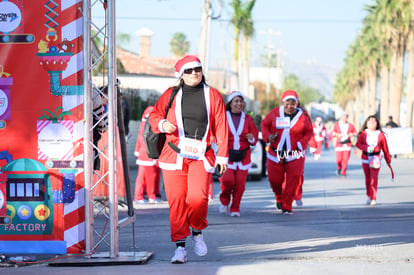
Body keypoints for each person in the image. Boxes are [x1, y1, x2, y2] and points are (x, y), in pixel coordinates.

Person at [149, 55, 228, 264]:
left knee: (198, 198)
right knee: (176, 203)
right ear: (181, 75)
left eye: (197, 69)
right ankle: (180, 248)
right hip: (173, 154)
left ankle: (197, 230)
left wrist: (223, 155)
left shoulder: (213, 95)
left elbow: (221, 126)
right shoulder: (170, 94)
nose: (194, 73)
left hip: (201, 155)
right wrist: (162, 124)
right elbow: (154, 115)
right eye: (189, 70)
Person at [261, 90, 313, 215]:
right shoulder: (274, 113)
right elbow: (264, 125)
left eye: (293, 104)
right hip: (275, 153)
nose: (290, 106)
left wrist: (302, 143)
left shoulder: (303, 116)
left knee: (292, 181)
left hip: (295, 154)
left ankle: (287, 205)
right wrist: (268, 137)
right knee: (274, 180)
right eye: (287, 104)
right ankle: (279, 196)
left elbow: (309, 132)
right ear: (283, 103)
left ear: (297, 103)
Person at [218, 91, 259, 217]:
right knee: (227, 181)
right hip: (227, 156)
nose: (239, 104)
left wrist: (251, 138)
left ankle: (235, 207)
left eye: (241, 101)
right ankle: (224, 201)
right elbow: (216, 133)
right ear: (230, 104)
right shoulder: (223, 117)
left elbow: (255, 137)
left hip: (243, 156)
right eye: (236, 101)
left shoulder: (247, 119)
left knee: (240, 185)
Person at [355, 115, 391, 206]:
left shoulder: (380, 135)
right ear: (366, 124)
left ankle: (373, 197)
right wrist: (367, 148)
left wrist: (388, 159)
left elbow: (385, 148)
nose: (371, 122)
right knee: (368, 179)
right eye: (369, 121)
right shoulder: (363, 133)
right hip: (366, 158)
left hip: (375, 158)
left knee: (374, 179)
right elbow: (358, 144)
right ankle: (369, 195)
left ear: (377, 123)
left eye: (374, 121)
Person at [133, 106, 161, 204]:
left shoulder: (144, 124)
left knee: (142, 177)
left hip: (144, 154)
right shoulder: (150, 125)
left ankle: (140, 196)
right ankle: (150, 196)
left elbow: (139, 139)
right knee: (150, 176)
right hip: (148, 155)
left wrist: (137, 150)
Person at [331, 112, 357, 176]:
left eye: (345, 118)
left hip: (347, 144)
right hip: (339, 144)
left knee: (345, 159)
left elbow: (355, 132)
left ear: (347, 118)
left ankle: (344, 171)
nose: (344, 119)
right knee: (339, 160)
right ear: (341, 118)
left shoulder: (350, 125)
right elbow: (333, 133)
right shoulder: (337, 124)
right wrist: (337, 134)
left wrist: (352, 134)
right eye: (343, 117)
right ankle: (339, 167)